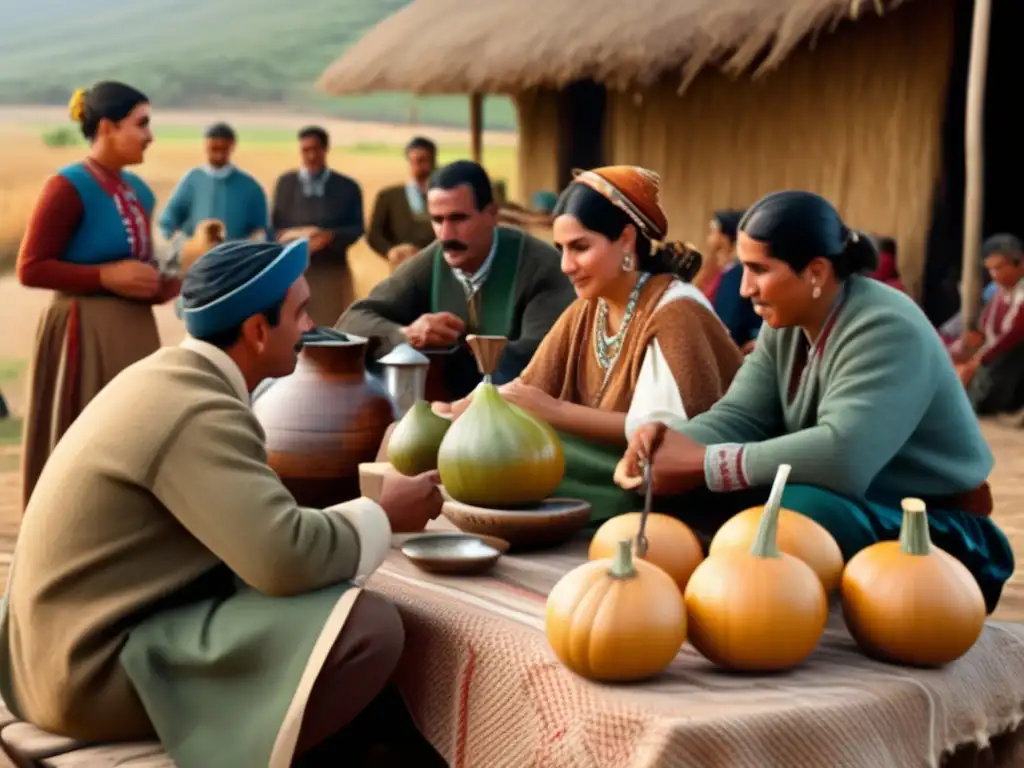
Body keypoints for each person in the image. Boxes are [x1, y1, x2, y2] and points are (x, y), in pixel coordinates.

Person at [0, 238, 445, 767]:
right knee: (368, 627)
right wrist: (384, 513)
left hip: (49, 658)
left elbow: (261, 534)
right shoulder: (198, 409)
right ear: (257, 330)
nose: (309, 328)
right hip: (84, 678)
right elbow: (283, 557)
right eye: (300, 312)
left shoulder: (171, 378)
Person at [620, 190, 1014, 613]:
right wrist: (667, 444)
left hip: (936, 533)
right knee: (676, 489)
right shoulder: (786, 321)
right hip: (849, 505)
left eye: (758, 269)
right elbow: (740, 416)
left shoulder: (885, 327)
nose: (746, 287)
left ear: (816, 272)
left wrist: (704, 461)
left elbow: (843, 457)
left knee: (791, 516)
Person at [436, 166, 743, 520]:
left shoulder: (677, 310)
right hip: (602, 462)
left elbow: (664, 437)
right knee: (469, 438)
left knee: (515, 458)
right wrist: (469, 407)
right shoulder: (588, 309)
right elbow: (527, 389)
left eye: (580, 247)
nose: (566, 265)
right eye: (560, 249)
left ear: (626, 240)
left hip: (659, 483)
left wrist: (553, 411)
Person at [15, 81, 179, 511]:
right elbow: (31, 267)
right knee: (84, 440)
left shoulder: (138, 192)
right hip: (83, 335)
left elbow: (146, 275)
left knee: (134, 436)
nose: (150, 135)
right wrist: (105, 276)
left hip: (135, 336)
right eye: (141, 123)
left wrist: (188, 271)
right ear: (106, 127)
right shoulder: (67, 187)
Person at [337, 160, 575, 401]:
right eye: (437, 220)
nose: (446, 235)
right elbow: (352, 321)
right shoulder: (433, 259)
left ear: (492, 214)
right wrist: (406, 334)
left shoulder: (541, 267)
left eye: (458, 219)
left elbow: (539, 362)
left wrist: (453, 357)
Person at [272, 126, 365, 326]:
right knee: (293, 329)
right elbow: (275, 225)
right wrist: (292, 238)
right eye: (305, 150)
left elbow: (357, 228)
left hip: (331, 271)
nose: (311, 156)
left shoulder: (347, 187)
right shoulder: (285, 184)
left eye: (315, 149)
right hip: (293, 272)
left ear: (325, 149)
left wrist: (329, 237)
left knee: (330, 329)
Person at [951, 233, 1024, 418]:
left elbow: (1013, 334)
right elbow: (985, 327)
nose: (994, 275)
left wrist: (980, 359)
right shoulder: (998, 292)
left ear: (1019, 263)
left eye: (999, 268)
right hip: (992, 353)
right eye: (990, 270)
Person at [158, 122, 269, 243]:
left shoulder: (250, 187)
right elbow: (168, 219)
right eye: (214, 149)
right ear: (206, 146)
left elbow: (262, 228)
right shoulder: (192, 180)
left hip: (234, 256)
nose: (219, 155)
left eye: (223, 149)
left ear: (232, 146)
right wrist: (178, 245)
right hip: (198, 257)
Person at [366, 136, 438, 269]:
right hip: (402, 266)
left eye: (422, 160)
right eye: (413, 161)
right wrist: (390, 251)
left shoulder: (446, 196)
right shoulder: (388, 196)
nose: (417, 165)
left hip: (438, 265)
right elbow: (374, 235)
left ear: (433, 160)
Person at [707, 209, 762, 353]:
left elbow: (730, 321)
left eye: (714, 231)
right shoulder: (721, 271)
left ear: (725, 237)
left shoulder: (737, 274)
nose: (710, 237)